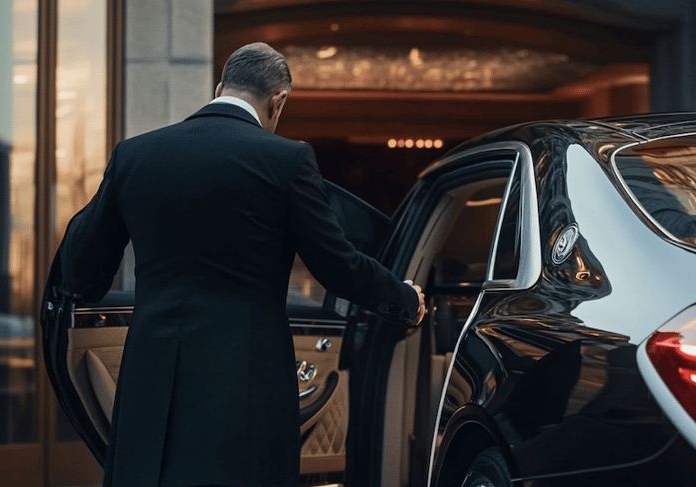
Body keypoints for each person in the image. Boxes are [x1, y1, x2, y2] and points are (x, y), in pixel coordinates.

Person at [57, 42, 425, 487]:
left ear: (219, 88)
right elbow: (338, 265)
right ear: (279, 101)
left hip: (149, 382)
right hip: (245, 383)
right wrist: (405, 298)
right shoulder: (287, 161)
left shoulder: (135, 155)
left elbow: (79, 271)